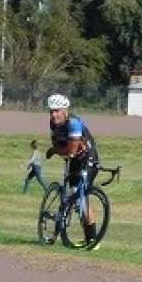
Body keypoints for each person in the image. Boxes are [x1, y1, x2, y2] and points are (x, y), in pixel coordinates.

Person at [45, 93, 101, 248]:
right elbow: (58, 143)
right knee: (73, 198)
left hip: (88, 160)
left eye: (57, 111)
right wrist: (58, 149)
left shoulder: (74, 123)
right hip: (75, 161)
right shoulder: (53, 123)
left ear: (65, 111)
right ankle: (68, 227)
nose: (53, 114)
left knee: (80, 200)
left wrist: (56, 150)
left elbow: (71, 150)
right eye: (51, 111)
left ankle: (92, 240)